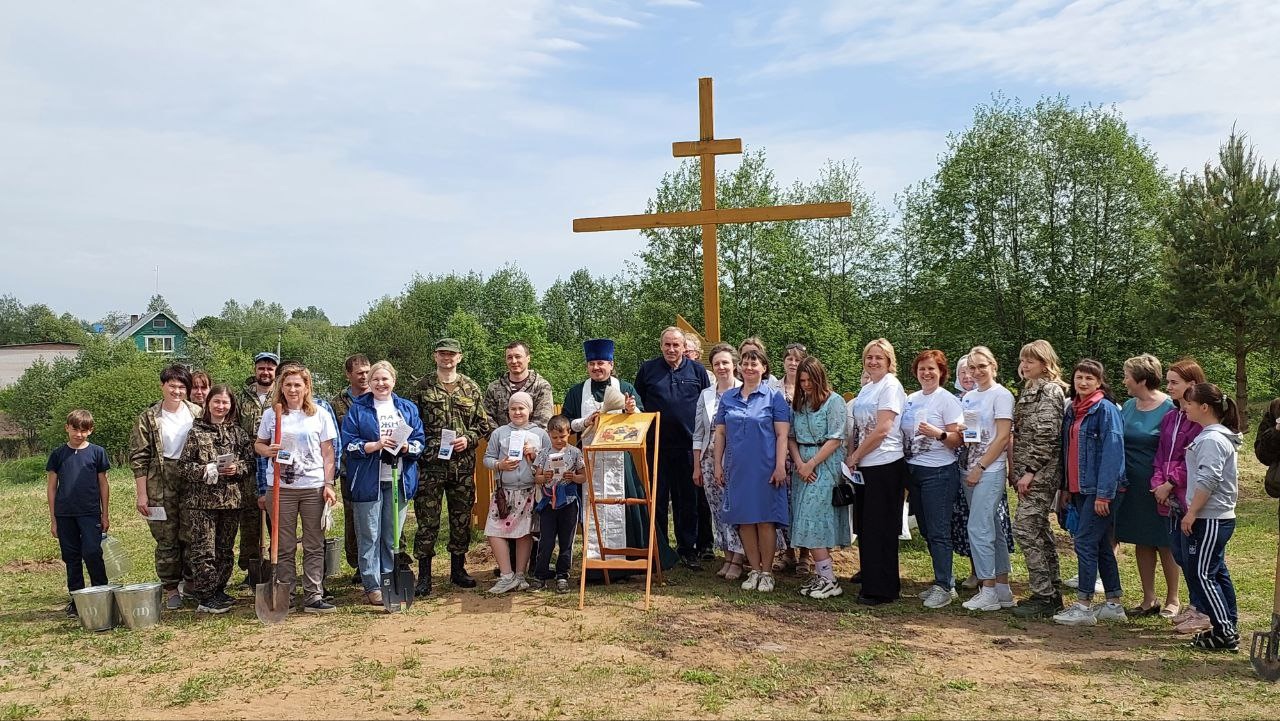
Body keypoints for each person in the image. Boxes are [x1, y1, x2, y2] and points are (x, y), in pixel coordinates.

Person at [563, 338, 675, 577]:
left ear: (611, 364)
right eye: (592, 363)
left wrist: (632, 410)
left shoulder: (625, 388)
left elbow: (642, 418)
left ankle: (633, 559)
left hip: (619, 459)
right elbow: (565, 424)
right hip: (589, 459)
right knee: (593, 509)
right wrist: (585, 422)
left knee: (628, 506)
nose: (596, 368)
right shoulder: (576, 392)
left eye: (601, 363)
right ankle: (596, 565)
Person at [411, 338, 494, 595]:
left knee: (460, 519)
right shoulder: (421, 387)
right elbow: (411, 423)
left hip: (462, 465)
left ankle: (458, 569)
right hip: (431, 466)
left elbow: (483, 424)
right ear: (435, 356)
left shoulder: (470, 387)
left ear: (460, 357)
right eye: (442, 354)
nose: (447, 358)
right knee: (427, 521)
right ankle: (424, 575)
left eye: (452, 354)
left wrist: (467, 439)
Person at [340, 360, 425, 606]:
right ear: (370, 382)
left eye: (385, 379)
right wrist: (375, 445)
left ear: (393, 382)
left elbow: (419, 441)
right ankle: (372, 584)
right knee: (369, 536)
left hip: (398, 479)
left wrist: (407, 447)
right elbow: (348, 444)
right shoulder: (358, 409)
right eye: (375, 379)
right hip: (368, 481)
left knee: (391, 536)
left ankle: (389, 578)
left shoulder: (406, 408)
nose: (380, 383)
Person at [254, 364, 338, 613]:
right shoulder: (273, 414)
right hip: (281, 488)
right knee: (284, 544)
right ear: (282, 387)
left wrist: (329, 484)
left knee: (314, 543)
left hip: (312, 487)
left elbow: (328, 453)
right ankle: (286, 594)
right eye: (288, 384)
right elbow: (259, 444)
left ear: (306, 387)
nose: (292, 389)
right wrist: (267, 450)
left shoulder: (319, 414)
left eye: (297, 384)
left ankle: (313, 594)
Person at [1053, 359, 1127, 626]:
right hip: (1080, 489)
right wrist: (1066, 489)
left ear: (1099, 382)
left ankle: (1084, 606)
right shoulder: (1073, 410)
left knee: (1084, 541)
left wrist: (1104, 495)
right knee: (1100, 544)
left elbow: (1113, 454)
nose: (1083, 383)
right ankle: (1113, 604)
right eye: (1079, 378)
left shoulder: (1105, 410)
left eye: (1089, 378)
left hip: (1102, 491)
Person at [714, 347, 791, 593]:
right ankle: (754, 569)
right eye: (745, 363)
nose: (749, 368)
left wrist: (780, 465)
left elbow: (782, 434)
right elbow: (721, 433)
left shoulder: (774, 397)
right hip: (737, 468)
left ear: (764, 368)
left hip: (766, 467)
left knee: (765, 520)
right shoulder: (728, 398)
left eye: (754, 363)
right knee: (744, 521)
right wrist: (717, 464)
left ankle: (767, 572)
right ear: (739, 368)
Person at [634, 326, 711, 570]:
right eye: (667, 344)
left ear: (683, 347)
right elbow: (638, 403)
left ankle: (688, 549)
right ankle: (660, 549)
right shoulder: (648, 369)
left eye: (676, 345)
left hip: (689, 447)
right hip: (656, 446)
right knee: (657, 499)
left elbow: (705, 408)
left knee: (687, 501)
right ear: (661, 346)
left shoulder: (698, 371)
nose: (671, 349)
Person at [175, 385, 254, 614]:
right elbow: (183, 467)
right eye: (216, 401)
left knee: (225, 549)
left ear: (231, 406)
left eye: (225, 402)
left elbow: (249, 464)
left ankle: (219, 589)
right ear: (208, 403)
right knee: (203, 550)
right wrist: (205, 470)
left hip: (230, 501)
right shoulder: (196, 432)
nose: (221, 406)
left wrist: (236, 468)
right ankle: (206, 595)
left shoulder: (238, 433)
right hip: (202, 503)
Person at [129, 364, 202, 609]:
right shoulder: (149, 417)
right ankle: (171, 587)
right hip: (160, 483)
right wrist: (142, 495)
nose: (177, 391)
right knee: (166, 537)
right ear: (162, 386)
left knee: (193, 534)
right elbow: (139, 458)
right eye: (172, 385)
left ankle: (191, 582)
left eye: (182, 387)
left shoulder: (197, 413)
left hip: (192, 481)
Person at [1179, 382, 1243, 651]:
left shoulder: (1212, 440)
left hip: (1211, 516)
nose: (1184, 409)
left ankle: (1225, 632)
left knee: (1203, 573)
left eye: (1189, 404)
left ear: (1204, 407)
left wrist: (1191, 512)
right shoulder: (1213, 436)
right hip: (1215, 516)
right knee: (1216, 571)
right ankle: (1227, 625)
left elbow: (1209, 478)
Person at [1115, 354, 1179, 618]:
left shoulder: (1169, 408)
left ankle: (1173, 599)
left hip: (1158, 484)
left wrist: (1169, 483)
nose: (1124, 380)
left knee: (1164, 540)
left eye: (1127, 375)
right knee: (1141, 539)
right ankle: (1148, 597)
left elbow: (1175, 449)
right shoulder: (1129, 405)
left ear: (1141, 379)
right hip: (1131, 483)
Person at [845, 339, 908, 606]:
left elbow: (883, 428)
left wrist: (856, 455)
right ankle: (871, 579)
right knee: (867, 527)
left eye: (879, 358)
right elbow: (857, 425)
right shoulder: (868, 387)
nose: (873, 362)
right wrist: (855, 454)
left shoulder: (891, 386)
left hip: (886, 463)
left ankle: (883, 589)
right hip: (865, 467)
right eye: (869, 357)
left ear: (889, 361)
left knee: (881, 528)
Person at [1009, 340, 1069, 618]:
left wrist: (1030, 471)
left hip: (1041, 472)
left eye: (1030, 361)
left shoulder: (1049, 390)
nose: (1024, 366)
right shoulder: (1030, 389)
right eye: (1022, 361)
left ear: (1045, 364)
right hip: (1029, 471)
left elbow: (1046, 435)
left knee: (1025, 527)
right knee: (1038, 528)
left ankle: (1044, 594)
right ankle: (1050, 589)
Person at [901, 350, 964, 609]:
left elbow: (958, 439)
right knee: (926, 529)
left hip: (939, 471)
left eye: (931, 369)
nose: (926, 373)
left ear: (941, 373)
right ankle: (942, 581)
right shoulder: (911, 399)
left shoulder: (947, 400)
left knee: (938, 531)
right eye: (922, 369)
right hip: (913, 470)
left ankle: (945, 585)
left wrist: (938, 434)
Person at [958, 346, 1016, 612]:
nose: (977, 371)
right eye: (973, 367)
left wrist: (980, 467)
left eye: (982, 366)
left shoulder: (1001, 395)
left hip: (988, 471)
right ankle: (1003, 588)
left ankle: (988, 589)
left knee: (978, 528)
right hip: (969, 468)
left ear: (994, 366)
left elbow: (1003, 436)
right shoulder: (969, 397)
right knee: (991, 526)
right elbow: (972, 436)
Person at [1153, 359, 1209, 632]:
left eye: (1175, 382)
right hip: (1168, 498)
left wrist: (1171, 483)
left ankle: (1201, 608)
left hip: (1188, 498)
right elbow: (1161, 455)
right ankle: (1195, 606)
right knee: (1179, 551)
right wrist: (1157, 483)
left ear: (1192, 385)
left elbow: (1193, 461)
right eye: (1168, 381)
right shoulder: (1170, 417)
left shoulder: (1198, 421)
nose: (1169, 387)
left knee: (1194, 555)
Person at [789, 356, 849, 599]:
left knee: (816, 516)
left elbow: (836, 437)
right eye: (801, 381)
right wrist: (800, 463)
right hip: (802, 461)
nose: (805, 385)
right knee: (804, 516)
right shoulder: (800, 403)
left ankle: (829, 578)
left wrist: (812, 463)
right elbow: (791, 436)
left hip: (824, 463)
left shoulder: (834, 402)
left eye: (809, 380)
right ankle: (822, 573)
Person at [482, 392, 550, 593]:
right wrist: (499, 464)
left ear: (529, 410)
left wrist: (534, 455)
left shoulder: (540, 434)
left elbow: (548, 460)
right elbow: (487, 459)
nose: (518, 412)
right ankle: (506, 575)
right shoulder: (500, 433)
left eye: (522, 408)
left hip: (529, 491)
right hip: (505, 492)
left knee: (523, 533)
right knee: (494, 531)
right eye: (513, 408)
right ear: (508, 411)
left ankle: (520, 575)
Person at [47, 409, 111, 618]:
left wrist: (105, 514)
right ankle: (77, 599)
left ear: (90, 431)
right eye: (75, 429)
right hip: (65, 515)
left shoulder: (97, 452)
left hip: (90, 513)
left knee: (92, 552)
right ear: (67, 428)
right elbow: (51, 488)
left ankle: (102, 592)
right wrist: (53, 519)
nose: (79, 434)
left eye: (84, 430)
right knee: (71, 557)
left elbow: (103, 483)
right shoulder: (57, 454)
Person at [694, 343, 745, 580]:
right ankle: (726, 556)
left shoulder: (744, 390)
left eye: (725, 362)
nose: (722, 367)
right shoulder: (706, 394)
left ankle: (739, 557)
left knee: (735, 508)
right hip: (707, 459)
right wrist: (697, 465)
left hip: (736, 458)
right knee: (717, 510)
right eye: (717, 364)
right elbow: (698, 433)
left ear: (735, 365)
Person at [235, 351, 278, 589]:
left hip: (273, 463)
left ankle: (276, 565)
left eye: (270, 368)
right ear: (255, 370)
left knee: (275, 517)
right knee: (250, 521)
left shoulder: (280, 396)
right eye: (261, 367)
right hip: (247, 466)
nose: (265, 372)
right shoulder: (242, 397)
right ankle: (251, 570)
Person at [531, 414, 586, 592]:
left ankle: (563, 575)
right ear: (548, 435)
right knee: (546, 541)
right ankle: (540, 575)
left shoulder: (575, 453)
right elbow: (536, 478)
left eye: (562, 436)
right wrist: (544, 476)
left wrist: (574, 477)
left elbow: (584, 477)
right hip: (548, 502)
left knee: (566, 540)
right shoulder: (543, 453)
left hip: (568, 502)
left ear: (569, 433)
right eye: (554, 437)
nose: (559, 440)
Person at [330, 353, 372, 586]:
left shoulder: (380, 396)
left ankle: (388, 559)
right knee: (353, 517)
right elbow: (334, 439)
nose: (364, 377)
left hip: (377, 467)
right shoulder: (337, 403)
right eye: (359, 373)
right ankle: (358, 563)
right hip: (350, 469)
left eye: (367, 371)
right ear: (348, 375)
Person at [483, 341, 555, 429]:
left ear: (528, 358)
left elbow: (543, 420)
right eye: (509, 357)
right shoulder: (494, 388)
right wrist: (500, 438)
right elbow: (486, 418)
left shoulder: (541, 387)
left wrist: (524, 440)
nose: (513, 361)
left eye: (518, 357)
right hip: (500, 441)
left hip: (532, 440)